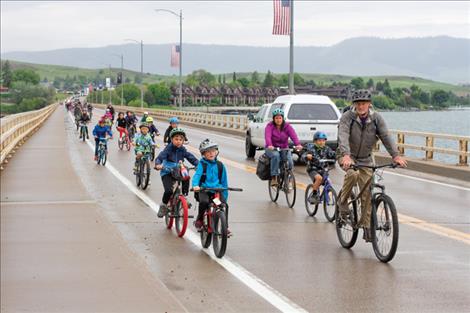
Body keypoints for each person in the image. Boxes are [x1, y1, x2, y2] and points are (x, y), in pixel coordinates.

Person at [337, 89, 407, 242]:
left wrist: (395, 155)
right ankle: (342, 202)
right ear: (354, 104)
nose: (361, 106)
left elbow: (386, 136)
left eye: (364, 103)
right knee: (353, 174)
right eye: (358, 103)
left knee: (367, 193)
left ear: (369, 104)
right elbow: (343, 135)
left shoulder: (376, 119)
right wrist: (346, 155)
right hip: (348, 155)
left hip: (366, 158)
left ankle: (366, 226)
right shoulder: (347, 117)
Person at [154, 128, 198, 217]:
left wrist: (199, 165)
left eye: (181, 139)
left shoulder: (182, 149)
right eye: (176, 139)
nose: (178, 141)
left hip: (178, 170)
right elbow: (160, 157)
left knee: (186, 176)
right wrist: (158, 164)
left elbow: (190, 157)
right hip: (167, 171)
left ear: (183, 141)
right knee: (169, 191)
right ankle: (163, 205)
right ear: (172, 139)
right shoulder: (168, 149)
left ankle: (184, 197)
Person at [192, 139, 229, 231]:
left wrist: (224, 194)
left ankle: (225, 227)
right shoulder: (202, 165)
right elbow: (197, 176)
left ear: (217, 152)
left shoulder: (220, 165)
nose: (211, 153)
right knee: (204, 202)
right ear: (203, 154)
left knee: (222, 205)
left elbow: (224, 181)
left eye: (213, 151)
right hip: (204, 191)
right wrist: (195, 185)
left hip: (215, 193)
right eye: (207, 152)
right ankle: (200, 219)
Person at [264, 108, 303, 186]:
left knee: (290, 161)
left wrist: (298, 144)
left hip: (284, 148)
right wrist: (270, 145)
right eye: (276, 118)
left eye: (280, 118)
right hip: (272, 148)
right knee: (276, 156)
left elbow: (293, 136)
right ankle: (274, 177)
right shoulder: (270, 126)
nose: (278, 120)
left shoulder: (287, 126)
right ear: (273, 119)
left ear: (283, 118)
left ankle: (288, 177)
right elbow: (267, 136)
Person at [301, 131, 336, 204]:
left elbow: (333, 154)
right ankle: (314, 195)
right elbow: (303, 156)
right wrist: (307, 156)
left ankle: (325, 194)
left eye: (323, 140)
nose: (321, 142)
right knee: (319, 178)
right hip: (313, 169)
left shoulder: (327, 149)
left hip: (323, 169)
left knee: (328, 182)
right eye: (319, 140)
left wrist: (338, 156)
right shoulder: (311, 149)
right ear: (315, 141)